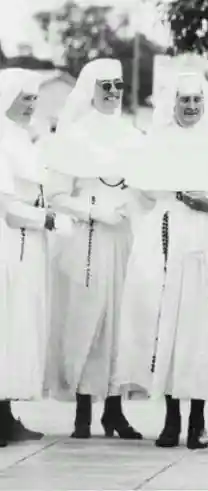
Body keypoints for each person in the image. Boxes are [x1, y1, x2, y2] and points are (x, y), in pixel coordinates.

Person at [115, 72, 208, 450]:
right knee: (164, 326)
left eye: (197, 100)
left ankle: (197, 420)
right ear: (173, 103)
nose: (191, 107)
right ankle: (171, 418)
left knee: (197, 331)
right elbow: (140, 193)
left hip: (202, 236)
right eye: (185, 101)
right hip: (163, 235)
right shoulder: (159, 140)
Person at [42, 58, 143, 440]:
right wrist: (94, 211)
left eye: (118, 85)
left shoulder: (133, 136)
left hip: (124, 239)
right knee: (87, 320)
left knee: (122, 322)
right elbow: (56, 195)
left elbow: (143, 187)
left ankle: (114, 410)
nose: (114, 92)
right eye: (106, 86)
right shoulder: (73, 138)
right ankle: (83, 408)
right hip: (85, 241)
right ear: (91, 89)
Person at [0, 68, 63, 446]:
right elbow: (8, 208)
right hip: (9, 244)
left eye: (33, 99)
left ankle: (6, 412)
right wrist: (48, 219)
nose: (30, 106)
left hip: (28, 244)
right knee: (6, 325)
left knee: (20, 327)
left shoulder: (21, 139)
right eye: (24, 98)